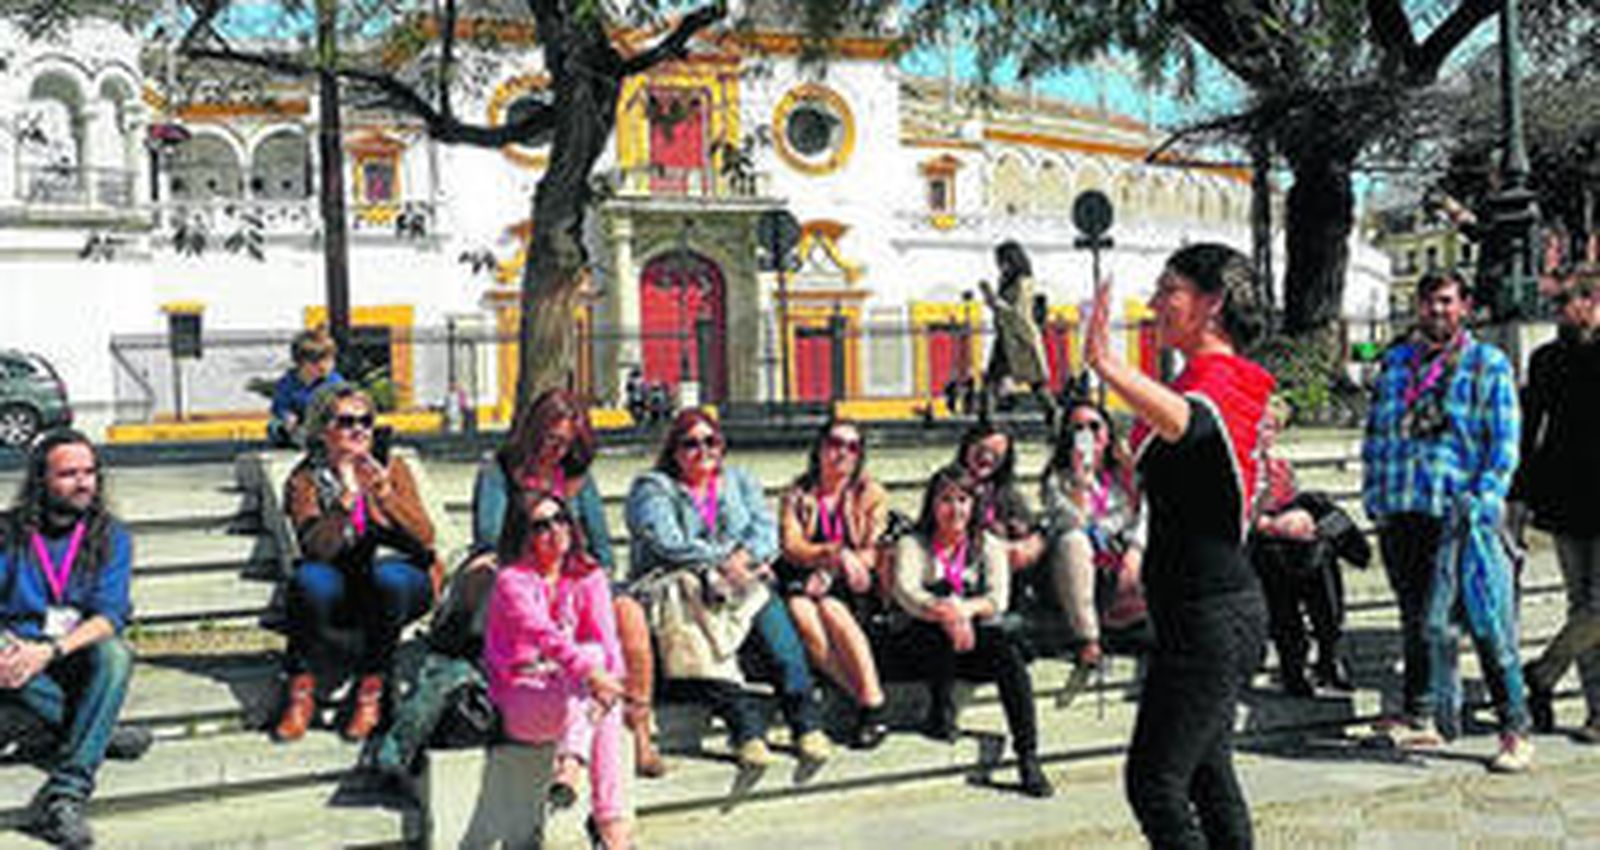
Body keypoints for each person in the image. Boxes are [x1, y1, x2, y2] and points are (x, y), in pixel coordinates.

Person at [1084, 243, 1274, 848]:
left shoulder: (1224, 379)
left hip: (1212, 616)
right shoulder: (1194, 379)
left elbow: (1188, 422)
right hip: (1196, 609)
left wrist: (1104, 362)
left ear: (1211, 303)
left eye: (1170, 290)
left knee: (1155, 783)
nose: (1156, 303)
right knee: (1208, 775)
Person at [1362, 270, 1531, 771]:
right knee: (1418, 622)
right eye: (1428, 302)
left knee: (1487, 624)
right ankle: (1423, 717)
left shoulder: (1487, 364)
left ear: (1465, 306)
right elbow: (1377, 435)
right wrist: (1375, 497)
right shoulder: (1396, 364)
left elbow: (1504, 443)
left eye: (1446, 302)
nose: (1436, 311)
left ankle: (1515, 728)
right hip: (1403, 508)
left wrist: (1484, 499)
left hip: (1460, 516)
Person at [625, 409, 830, 771]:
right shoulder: (653, 488)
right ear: (674, 450)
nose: (703, 450)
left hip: (740, 582)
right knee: (695, 607)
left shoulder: (740, 481)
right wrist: (726, 560)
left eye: (711, 441)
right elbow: (667, 542)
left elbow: (765, 531)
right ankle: (746, 729)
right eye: (691, 443)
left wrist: (745, 559)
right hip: (681, 589)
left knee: (772, 616)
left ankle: (805, 722)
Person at [0, 430, 145, 849]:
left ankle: (66, 793)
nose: (83, 482)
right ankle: (97, 732)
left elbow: (110, 616)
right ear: (40, 479)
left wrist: (51, 651)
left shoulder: (111, 535)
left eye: (89, 472)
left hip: (71, 654)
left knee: (116, 655)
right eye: (67, 474)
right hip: (16, 656)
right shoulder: (8, 533)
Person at [274, 385, 439, 743]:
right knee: (307, 581)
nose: (359, 430)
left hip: (401, 574)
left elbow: (425, 536)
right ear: (323, 430)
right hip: (343, 577)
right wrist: (343, 507)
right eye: (346, 422)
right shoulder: (305, 480)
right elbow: (315, 546)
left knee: (388, 580)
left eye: (366, 421)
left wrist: (384, 495)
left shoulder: (391, 467)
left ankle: (371, 692)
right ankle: (300, 693)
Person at [880, 465, 1052, 798]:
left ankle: (1027, 756)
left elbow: (997, 600)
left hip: (971, 639)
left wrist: (963, 611)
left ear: (973, 505)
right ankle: (939, 711)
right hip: (923, 643)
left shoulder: (989, 544)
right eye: (946, 499)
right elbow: (907, 593)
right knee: (940, 606)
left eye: (963, 499)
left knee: (1008, 655)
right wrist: (946, 611)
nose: (955, 508)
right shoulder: (913, 543)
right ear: (932, 504)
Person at [484, 490, 631, 850]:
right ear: (523, 534)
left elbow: (609, 644)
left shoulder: (589, 575)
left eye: (560, 519)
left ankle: (611, 826)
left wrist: (603, 676)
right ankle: (601, 812)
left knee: (597, 666)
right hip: (522, 696)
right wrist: (593, 673)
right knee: (592, 676)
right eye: (541, 525)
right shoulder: (511, 580)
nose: (555, 530)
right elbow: (543, 635)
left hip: (576, 699)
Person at [1514, 278, 1600, 740]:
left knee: (1596, 607)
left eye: (1566, 301)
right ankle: (1597, 712)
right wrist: (1519, 495)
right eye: (1556, 302)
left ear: (1593, 301)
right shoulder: (1546, 359)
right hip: (1566, 495)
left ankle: (1543, 673)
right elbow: (1529, 431)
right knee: (1581, 603)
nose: (1558, 310)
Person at [775, 417, 889, 750]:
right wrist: (833, 554)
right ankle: (869, 701)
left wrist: (838, 568)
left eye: (852, 447)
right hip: (805, 579)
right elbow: (792, 546)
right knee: (800, 608)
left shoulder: (870, 493)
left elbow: (874, 550)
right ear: (820, 448)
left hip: (852, 586)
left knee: (831, 608)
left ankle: (869, 697)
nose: (842, 453)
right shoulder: (797, 494)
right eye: (835, 444)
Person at [1251, 396, 1361, 696]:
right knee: (1282, 568)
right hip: (1255, 547)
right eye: (1259, 425)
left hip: (1292, 547)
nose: (1265, 432)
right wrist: (1271, 524)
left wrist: (1302, 522)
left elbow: (1294, 501)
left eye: (1272, 427)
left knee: (1322, 557)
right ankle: (1295, 665)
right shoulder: (1235, 466)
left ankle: (1328, 653)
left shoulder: (1281, 468)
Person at [1038, 400, 1148, 671]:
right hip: (1078, 568)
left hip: (1123, 561)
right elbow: (1073, 522)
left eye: (1095, 426)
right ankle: (1088, 639)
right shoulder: (1057, 479)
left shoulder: (1124, 472)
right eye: (1078, 428)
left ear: (1108, 432)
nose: (1088, 434)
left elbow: (1146, 514)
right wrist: (1080, 483)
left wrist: (1135, 549)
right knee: (1072, 540)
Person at [953, 422, 1046, 576]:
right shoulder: (948, 485)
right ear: (967, 448)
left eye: (996, 453)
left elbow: (1032, 528)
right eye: (981, 449)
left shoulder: (1006, 492)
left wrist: (1030, 545)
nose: (987, 457)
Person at [979, 241, 1055, 422]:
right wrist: (993, 302)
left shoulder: (1024, 283)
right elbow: (1005, 311)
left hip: (1020, 338)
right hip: (1005, 338)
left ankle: (1054, 415)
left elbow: (1019, 314)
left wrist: (994, 301)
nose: (1000, 266)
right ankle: (986, 420)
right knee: (991, 381)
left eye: (1002, 261)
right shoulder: (1005, 281)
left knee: (1036, 383)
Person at [268, 327, 343, 448]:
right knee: (275, 426)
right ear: (301, 363)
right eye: (315, 362)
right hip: (298, 426)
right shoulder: (288, 383)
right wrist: (286, 416)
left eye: (329, 361)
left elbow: (344, 404)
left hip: (323, 426)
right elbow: (279, 406)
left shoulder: (334, 382)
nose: (324, 366)